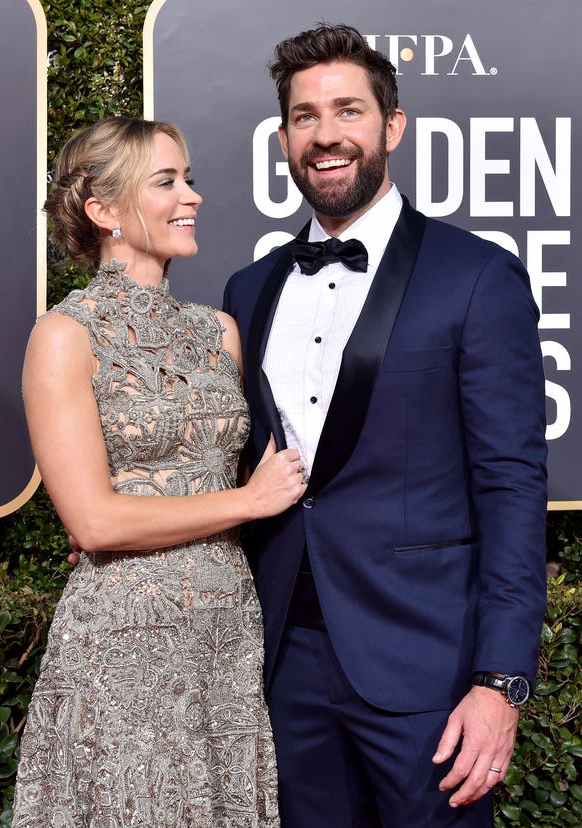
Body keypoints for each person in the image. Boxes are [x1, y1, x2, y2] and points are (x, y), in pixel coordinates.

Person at [222, 23, 548, 828]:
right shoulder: (249, 289)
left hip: (427, 664)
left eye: (348, 111)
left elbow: (511, 485)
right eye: (305, 116)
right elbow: (235, 464)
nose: (325, 135)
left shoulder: (476, 275)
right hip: (284, 662)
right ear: (283, 138)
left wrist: (500, 682)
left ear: (391, 127)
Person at [12, 115, 307, 827]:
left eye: (189, 179)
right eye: (166, 182)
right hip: (125, 642)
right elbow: (94, 521)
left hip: (228, 634)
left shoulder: (219, 331)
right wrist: (248, 501)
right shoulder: (63, 336)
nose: (191, 196)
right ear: (103, 210)